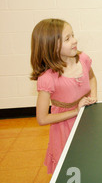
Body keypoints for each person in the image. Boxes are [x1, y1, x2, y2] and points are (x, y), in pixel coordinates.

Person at [30, 19, 97, 174]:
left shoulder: (83, 59)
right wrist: (76, 111)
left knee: (89, 162)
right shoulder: (47, 78)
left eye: (72, 35)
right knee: (72, 169)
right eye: (67, 39)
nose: (75, 40)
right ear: (51, 46)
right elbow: (42, 119)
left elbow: (92, 78)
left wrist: (93, 96)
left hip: (87, 119)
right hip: (65, 128)